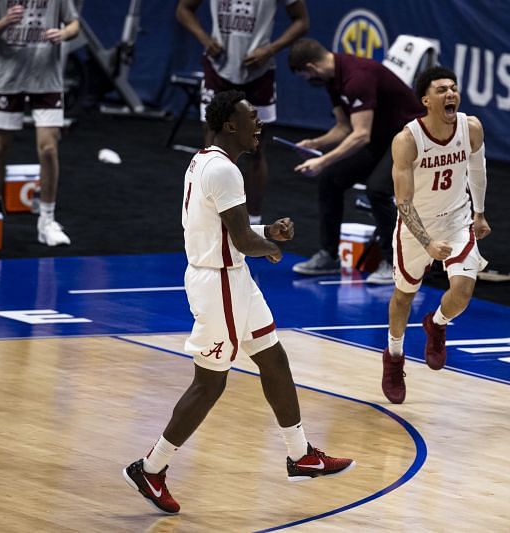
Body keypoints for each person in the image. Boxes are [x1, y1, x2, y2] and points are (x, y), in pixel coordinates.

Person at [123, 90, 354, 514]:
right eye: (252, 117)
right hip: (219, 285)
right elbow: (243, 239)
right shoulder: (225, 171)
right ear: (231, 125)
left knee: (273, 359)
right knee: (210, 383)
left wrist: (268, 233)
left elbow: (230, 225)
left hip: (232, 279)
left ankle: (300, 453)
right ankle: (151, 468)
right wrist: (268, 246)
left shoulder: (205, 160)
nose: (259, 124)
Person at [380, 66, 490, 404]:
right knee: (403, 296)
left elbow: (477, 169)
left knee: (463, 290)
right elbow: (403, 201)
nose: (451, 94)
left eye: (454, 88)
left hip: (457, 219)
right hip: (418, 227)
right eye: (442, 90)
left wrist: (480, 213)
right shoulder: (407, 140)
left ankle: (437, 324)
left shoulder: (470, 127)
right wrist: (427, 241)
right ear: (426, 100)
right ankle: (394, 358)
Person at [287, 37, 425, 285]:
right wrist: (315, 144)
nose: (308, 82)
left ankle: (395, 261)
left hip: (412, 136)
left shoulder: (356, 77)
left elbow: (361, 135)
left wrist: (323, 161)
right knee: (330, 180)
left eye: (304, 77)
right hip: (383, 137)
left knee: (378, 189)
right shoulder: (332, 80)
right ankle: (329, 256)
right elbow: (344, 127)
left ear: (310, 68)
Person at [176, 0, 309, 224]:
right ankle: (210, 220)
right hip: (218, 69)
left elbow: (302, 21)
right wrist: (205, 39)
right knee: (212, 152)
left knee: (255, 150)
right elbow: (183, 9)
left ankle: (253, 221)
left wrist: (270, 49)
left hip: (259, 73)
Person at [0, 0, 79, 246]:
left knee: (49, 148)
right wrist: (4, 22)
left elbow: (74, 24)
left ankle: (47, 220)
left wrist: (63, 33)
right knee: (0, 149)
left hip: (46, 78)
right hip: (7, 77)